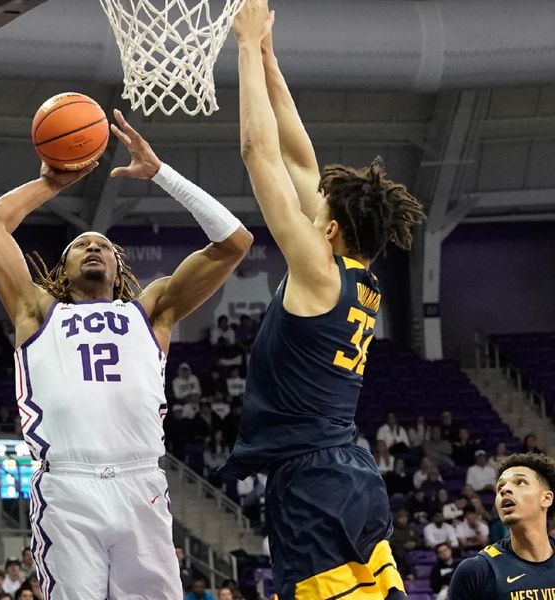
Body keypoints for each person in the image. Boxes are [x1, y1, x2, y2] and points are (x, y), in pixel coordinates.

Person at [0, 100, 252, 598]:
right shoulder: (36, 312)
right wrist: (52, 184)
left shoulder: (151, 312)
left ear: (119, 264)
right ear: (63, 269)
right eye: (81, 244)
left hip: (141, 481)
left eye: (103, 244)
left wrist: (162, 173)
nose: (93, 248)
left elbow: (235, 242)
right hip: (67, 484)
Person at [225, 3, 425, 597]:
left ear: (330, 231)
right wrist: (266, 54)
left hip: (314, 482)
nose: (312, 210)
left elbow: (259, 154)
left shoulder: (318, 273)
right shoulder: (358, 277)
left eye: (320, 212)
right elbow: (299, 158)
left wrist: (241, 47)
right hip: (348, 472)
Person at [449, 453, 555, 598]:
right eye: (500, 488)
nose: (504, 490)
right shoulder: (476, 571)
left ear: (546, 498)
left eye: (520, 482)